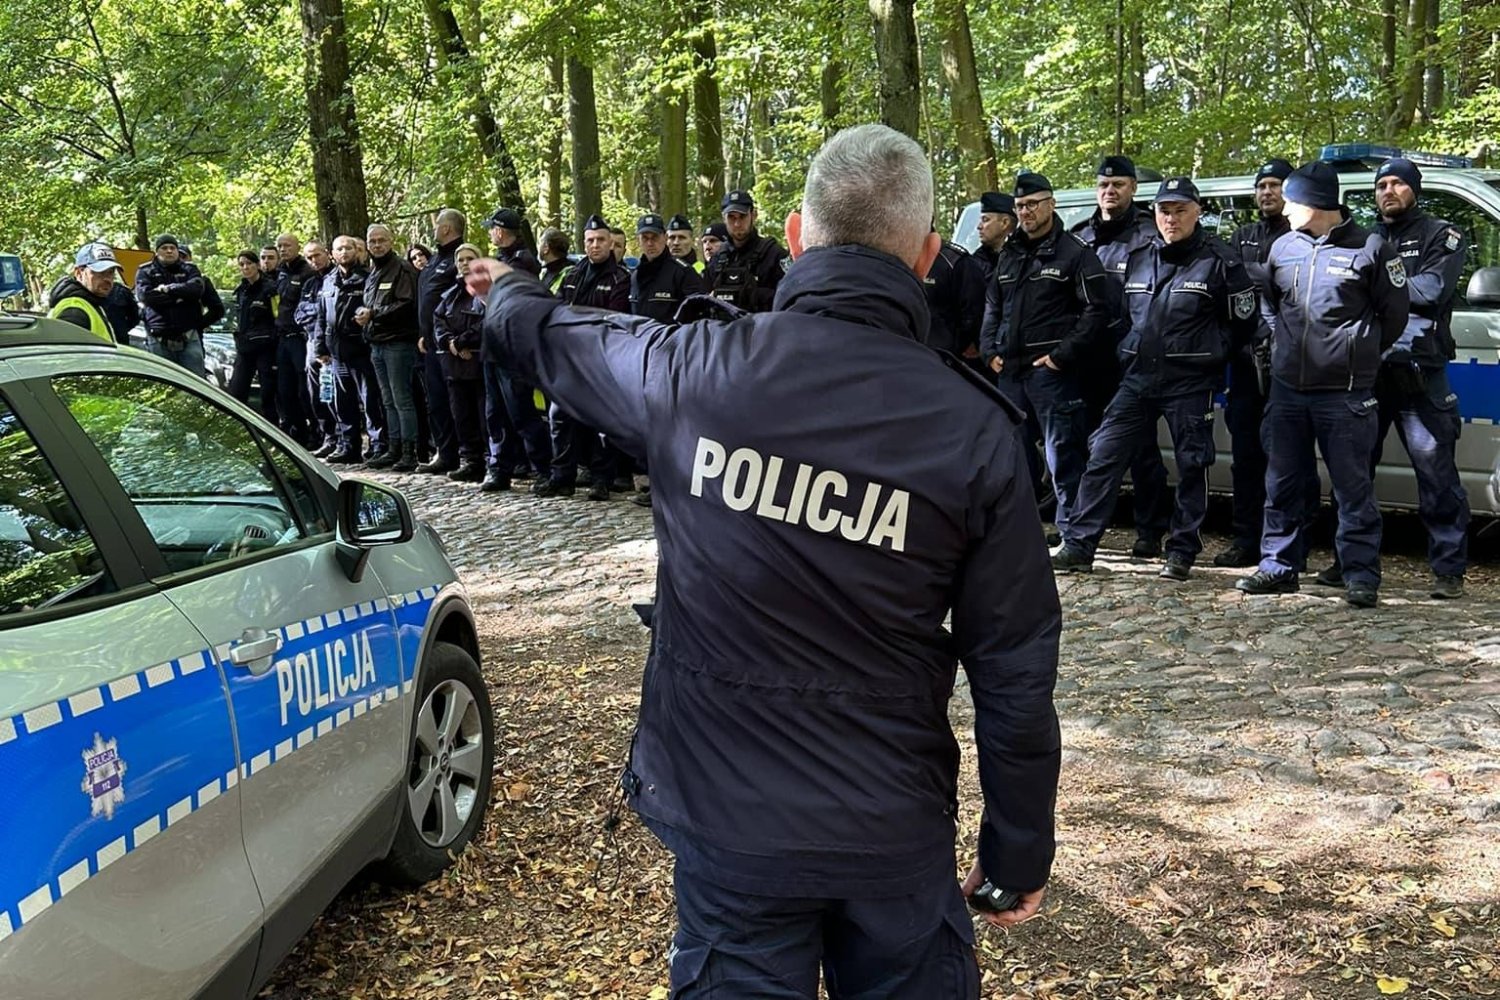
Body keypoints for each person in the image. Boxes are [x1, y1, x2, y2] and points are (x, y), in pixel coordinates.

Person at [470, 122, 1059, 997]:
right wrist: (1017, 850)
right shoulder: (973, 429)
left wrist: (508, 286)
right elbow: (1013, 667)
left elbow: (553, 334)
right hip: (888, 824)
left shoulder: (692, 369)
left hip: (728, 818)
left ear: (793, 234)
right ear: (929, 255)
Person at [1052, 177, 1256, 579]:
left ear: (1197, 212)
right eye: (1164, 210)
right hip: (1138, 377)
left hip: (1190, 380)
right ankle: (1079, 544)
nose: (1171, 218)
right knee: (1104, 454)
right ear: (1155, 213)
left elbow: (1243, 323)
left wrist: (1210, 352)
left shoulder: (1221, 260)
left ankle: (1180, 550)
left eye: (1181, 210)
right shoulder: (1142, 255)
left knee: (1192, 465)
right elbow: (1125, 312)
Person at [1236, 161, 1409, 608]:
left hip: (1345, 392)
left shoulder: (1371, 248)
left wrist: (1360, 349)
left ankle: (1360, 575)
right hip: (1288, 389)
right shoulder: (1283, 247)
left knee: (1352, 489)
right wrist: (1278, 343)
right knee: (1283, 483)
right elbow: (1270, 303)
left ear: (1316, 203)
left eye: (1292, 201)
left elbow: (1394, 316)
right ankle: (1278, 567)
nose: (1285, 209)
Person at [1331, 158, 1468, 599]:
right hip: (1368, 371)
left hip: (1417, 371)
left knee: (1436, 475)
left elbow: (1431, 290)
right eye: (1381, 185)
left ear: (1415, 189)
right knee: (1354, 474)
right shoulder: (1365, 237)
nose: (1388, 191)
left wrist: (1372, 281)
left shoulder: (1440, 234)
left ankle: (1448, 570)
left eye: (1397, 184)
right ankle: (1347, 562)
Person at [980, 172, 1115, 542]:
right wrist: (990, 350)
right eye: (1020, 206)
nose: (1026, 212)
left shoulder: (1075, 253)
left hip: (1051, 374)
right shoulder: (1010, 252)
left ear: (1051, 204)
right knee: (1014, 457)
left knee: (1064, 457)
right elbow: (993, 305)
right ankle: (1021, 534)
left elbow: (1097, 311)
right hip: (1010, 373)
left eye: (1033, 204)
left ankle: (1074, 536)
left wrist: (1061, 356)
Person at [1070, 155, 1171, 558]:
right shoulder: (1079, 237)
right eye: (1103, 186)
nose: (1110, 192)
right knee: (1084, 447)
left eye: (1118, 185)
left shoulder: (1152, 236)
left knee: (1141, 450)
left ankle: (1150, 530)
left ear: (1133, 189)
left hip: (1131, 359)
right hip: (1086, 360)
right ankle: (1082, 524)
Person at [1214, 158, 1298, 568]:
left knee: (1288, 461)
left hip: (1294, 366)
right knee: (1246, 459)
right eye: (1262, 186)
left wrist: (1256, 276)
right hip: (1247, 367)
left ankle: (1288, 547)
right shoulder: (1242, 235)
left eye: (1276, 185)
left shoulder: (1303, 232)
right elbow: (1229, 283)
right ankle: (1246, 539)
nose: (1267, 193)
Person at [536, 214, 630, 500]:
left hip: (602, 360)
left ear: (610, 243)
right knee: (560, 417)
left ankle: (601, 479)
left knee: (601, 423)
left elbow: (613, 320)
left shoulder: (620, 278)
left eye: (601, 240)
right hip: (569, 360)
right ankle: (562, 477)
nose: (595, 245)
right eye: (590, 241)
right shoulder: (574, 274)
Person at [314, 235, 384, 464]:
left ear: (356, 251)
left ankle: (377, 445)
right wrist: (319, 346)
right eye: (339, 249)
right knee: (342, 401)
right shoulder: (328, 281)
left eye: (348, 248)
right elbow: (322, 317)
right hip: (336, 351)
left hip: (361, 349)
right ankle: (349, 446)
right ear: (332, 254)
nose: (344, 252)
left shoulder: (367, 278)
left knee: (371, 400)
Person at [358, 223, 422, 473]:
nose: (376, 245)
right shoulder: (374, 271)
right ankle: (393, 447)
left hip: (398, 342)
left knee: (401, 398)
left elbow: (406, 304)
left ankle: (409, 451)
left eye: (381, 240)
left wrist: (373, 314)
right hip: (377, 342)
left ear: (391, 241)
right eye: (372, 241)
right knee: (387, 399)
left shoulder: (402, 269)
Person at [415, 209, 466, 475]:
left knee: (456, 401)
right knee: (435, 400)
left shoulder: (459, 259)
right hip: (430, 342)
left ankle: (467, 454)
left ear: (446, 229)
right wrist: (423, 333)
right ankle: (445, 453)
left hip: (450, 342)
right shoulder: (435, 259)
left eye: (437, 226)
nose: (434, 230)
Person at [432, 243, 490, 482]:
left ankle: (491, 461)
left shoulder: (487, 290)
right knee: (461, 416)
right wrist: (451, 343)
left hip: (479, 363)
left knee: (484, 417)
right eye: (460, 259)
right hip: (455, 365)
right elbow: (438, 320)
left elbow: (488, 320)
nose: (464, 263)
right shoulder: (450, 294)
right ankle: (470, 461)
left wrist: (464, 341)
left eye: (469, 258)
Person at [134, 233, 213, 376]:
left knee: (196, 384)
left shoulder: (190, 269)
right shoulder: (145, 271)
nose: (169, 251)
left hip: (188, 337)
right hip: (159, 340)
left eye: (172, 248)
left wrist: (168, 289)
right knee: (162, 385)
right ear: (157, 252)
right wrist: (180, 297)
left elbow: (196, 289)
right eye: (164, 248)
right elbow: (145, 296)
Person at [705, 190, 788, 311]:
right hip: (724, 327)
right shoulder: (717, 258)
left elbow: (789, 297)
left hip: (762, 326)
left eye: (742, 217)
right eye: (731, 218)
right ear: (724, 219)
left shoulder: (774, 254)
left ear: (753, 215)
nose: (737, 224)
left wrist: (752, 295)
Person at [274, 233, 317, 445]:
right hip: (282, 337)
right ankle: (297, 432)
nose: (283, 249)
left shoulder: (306, 271)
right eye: (280, 246)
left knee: (304, 389)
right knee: (285, 389)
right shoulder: (279, 272)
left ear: (297, 247)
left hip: (300, 337)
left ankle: (315, 432)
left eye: (287, 245)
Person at [299, 241, 340, 456]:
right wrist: (317, 310)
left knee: (336, 394)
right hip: (311, 342)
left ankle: (342, 437)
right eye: (309, 257)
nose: (314, 260)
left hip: (332, 343)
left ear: (327, 254)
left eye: (317, 255)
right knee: (317, 394)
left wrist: (316, 310)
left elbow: (331, 310)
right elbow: (299, 314)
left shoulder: (336, 278)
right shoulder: (309, 283)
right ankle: (328, 436)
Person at [228, 250, 279, 419]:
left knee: (268, 395)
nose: (245, 267)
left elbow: (278, 317)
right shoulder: (241, 291)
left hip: (266, 349)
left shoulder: (270, 288)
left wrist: (271, 339)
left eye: (249, 263)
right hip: (245, 348)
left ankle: (274, 434)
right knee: (236, 392)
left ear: (257, 265)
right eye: (242, 264)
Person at [921, 233, 986, 362]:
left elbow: (974, 310)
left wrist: (960, 345)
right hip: (909, 350)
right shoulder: (901, 255)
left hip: (944, 355)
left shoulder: (955, 261)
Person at [631, 213, 705, 323]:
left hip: (671, 338)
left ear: (665, 238)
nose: (650, 243)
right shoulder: (635, 275)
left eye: (655, 237)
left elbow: (697, 315)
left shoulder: (683, 272)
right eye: (645, 238)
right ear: (638, 241)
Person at [47, 244, 122, 342]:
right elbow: (69, 354)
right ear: (79, 273)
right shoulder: (74, 310)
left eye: (111, 272)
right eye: (100, 272)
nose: (107, 279)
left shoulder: (91, 303)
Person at [484, 208, 542, 277]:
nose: (489, 232)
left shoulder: (520, 263)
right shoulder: (505, 257)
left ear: (499, 232)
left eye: (491, 228)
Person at [972, 191, 1016, 280]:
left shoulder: (1025, 259)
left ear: (1005, 223)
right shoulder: (974, 263)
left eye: (985, 220)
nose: (979, 226)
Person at [538, 227, 572, 294]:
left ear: (546, 248)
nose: (538, 247)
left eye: (539, 243)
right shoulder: (544, 272)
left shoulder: (570, 275)